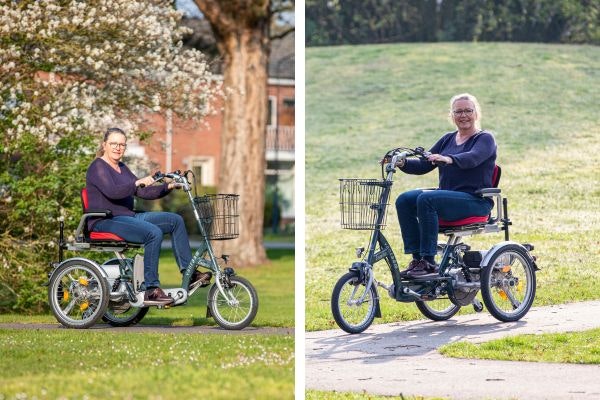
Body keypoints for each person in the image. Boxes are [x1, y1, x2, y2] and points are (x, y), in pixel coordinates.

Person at [86, 127, 212, 305]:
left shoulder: (121, 167)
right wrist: (137, 182)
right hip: (105, 220)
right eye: (114, 143)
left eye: (122, 144)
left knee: (175, 220)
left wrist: (167, 186)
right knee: (153, 232)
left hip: (127, 217)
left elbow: (143, 192)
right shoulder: (97, 167)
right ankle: (151, 289)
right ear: (104, 145)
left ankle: (189, 273)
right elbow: (113, 192)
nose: (118, 147)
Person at [394, 93, 497, 278]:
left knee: (427, 199)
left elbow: (473, 157)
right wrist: (403, 163)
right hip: (448, 198)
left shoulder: (485, 139)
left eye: (468, 110)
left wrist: (449, 159)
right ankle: (418, 260)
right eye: (458, 111)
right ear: (452, 115)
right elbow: (425, 164)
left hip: (475, 200)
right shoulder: (447, 139)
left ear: (476, 113)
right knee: (404, 200)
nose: (463, 115)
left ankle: (429, 261)